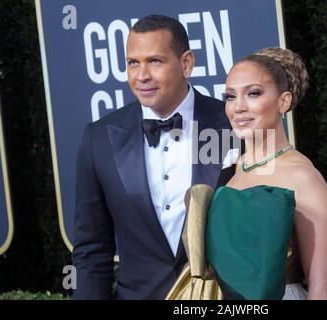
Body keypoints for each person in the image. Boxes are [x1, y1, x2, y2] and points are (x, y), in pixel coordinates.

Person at [72, 15, 234, 300]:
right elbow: (92, 248)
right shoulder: (99, 139)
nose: (141, 75)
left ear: (186, 63)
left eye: (154, 61)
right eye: (133, 62)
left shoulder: (233, 125)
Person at [205, 47, 327, 300]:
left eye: (253, 93)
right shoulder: (228, 168)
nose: (238, 107)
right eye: (230, 97)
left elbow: (323, 285)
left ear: (283, 101)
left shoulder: (303, 177)